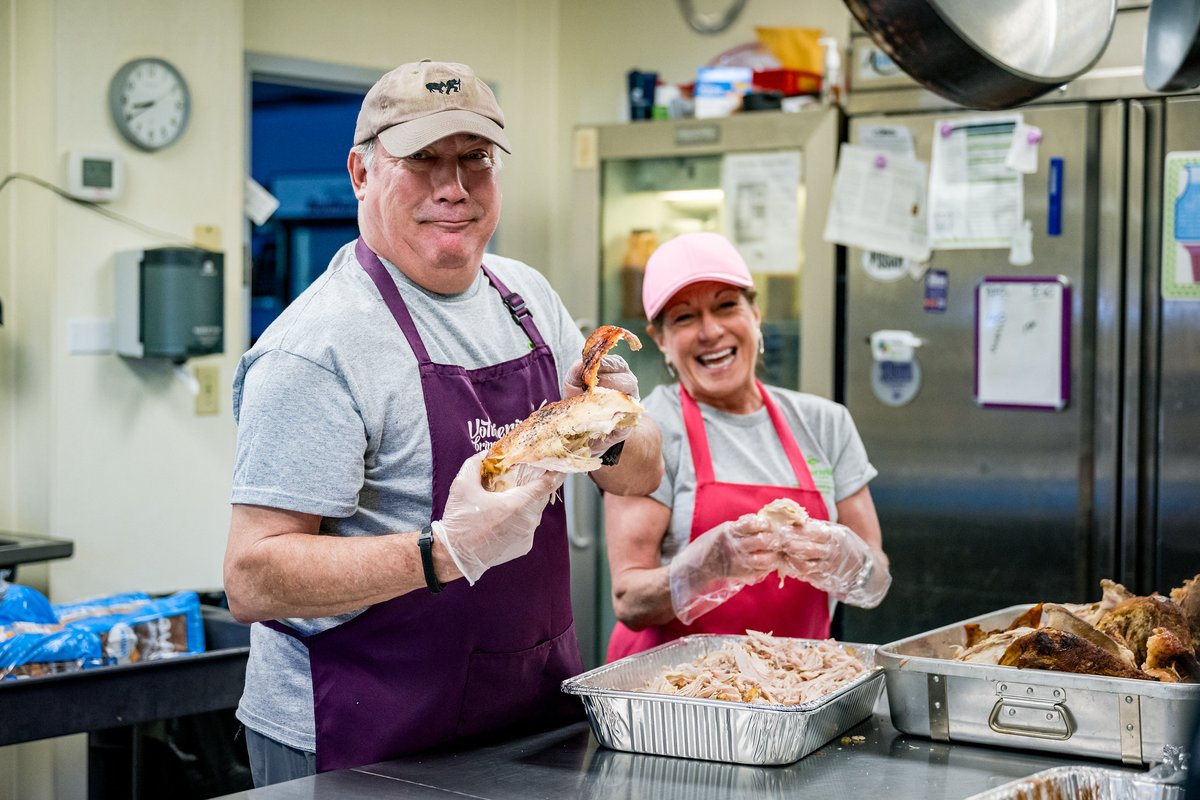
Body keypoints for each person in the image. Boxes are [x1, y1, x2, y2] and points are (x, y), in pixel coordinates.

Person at [223, 59, 662, 785]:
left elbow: (640, 474)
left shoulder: (528, 300)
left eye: (474, 159)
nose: (453, 187)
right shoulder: (318, 347)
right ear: (361, 173)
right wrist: (443, 551)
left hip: (528, 714)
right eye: (422, 159)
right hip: (362, 732)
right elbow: (253, 577)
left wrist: (614, 419)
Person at [604, 232, 889, 662]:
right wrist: (705, 567)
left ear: (754, 314)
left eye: (726, 306)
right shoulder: (648, 432)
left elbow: (877, 579)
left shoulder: (825, 424)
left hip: (796, 687)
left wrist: (845, 559)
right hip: (675, 692)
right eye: (684, 318)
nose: (711, 331)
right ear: (659, 339)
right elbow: (629, 600)